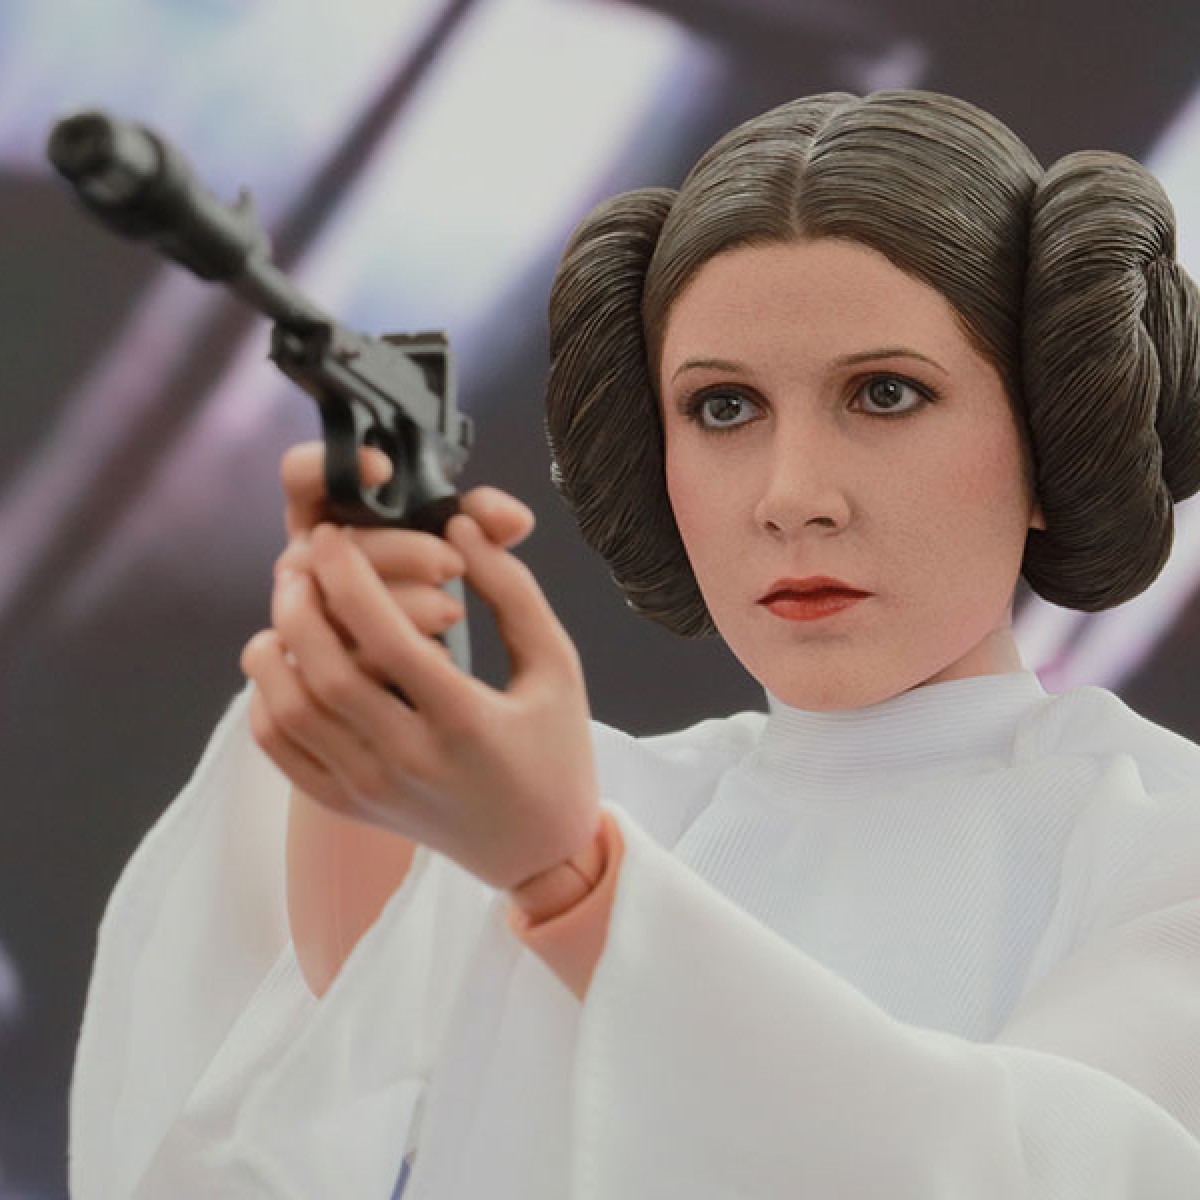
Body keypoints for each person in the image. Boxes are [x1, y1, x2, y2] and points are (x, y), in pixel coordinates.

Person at [70, 89, 1200, 1198]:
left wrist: (572, 882)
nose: (790, 496)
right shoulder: (606, 797)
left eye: (887, 394)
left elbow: (1030, 1171)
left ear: (1053, 439)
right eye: (723, 408)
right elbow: (303, 1093)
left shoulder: (1162, 843)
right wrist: (360, 725)